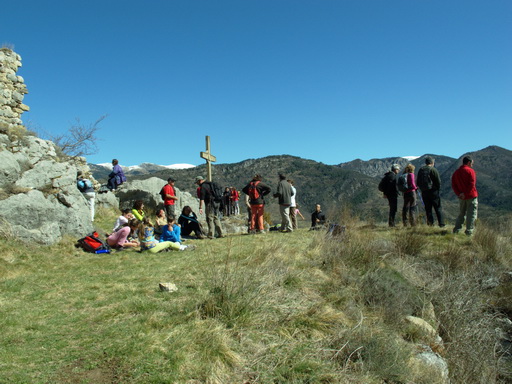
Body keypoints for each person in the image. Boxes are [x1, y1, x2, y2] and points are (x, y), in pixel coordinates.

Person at [451, 155, 478, 236]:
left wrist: (459, 194)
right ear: (469, 162)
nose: (472, 165)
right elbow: (472, 184)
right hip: (471, 196)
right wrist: (466, 194)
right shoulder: (471, 171)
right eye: (472, 163)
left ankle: (457, 229)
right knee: (471, 214)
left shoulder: (456, 172)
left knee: (461, 213)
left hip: (461, 197)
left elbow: (454, 185)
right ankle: (469, 231)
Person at [417, 156, 445, 227]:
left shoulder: (421, 170)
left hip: (424, 192)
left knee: (428, 209)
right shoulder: (433, 170)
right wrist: (438, 189)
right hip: (433, 191)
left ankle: (430, 224)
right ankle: (441, 224)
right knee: (438, 208)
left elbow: (418, 182)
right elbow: (438, 181)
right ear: (432, 162)